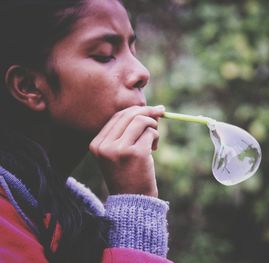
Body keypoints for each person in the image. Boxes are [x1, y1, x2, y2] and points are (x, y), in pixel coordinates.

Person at [0, 0, 172, 262]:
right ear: (29, 87)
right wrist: (136, 206)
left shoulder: (61, 209)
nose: (142, 72)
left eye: (132, 49)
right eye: (104, 55)